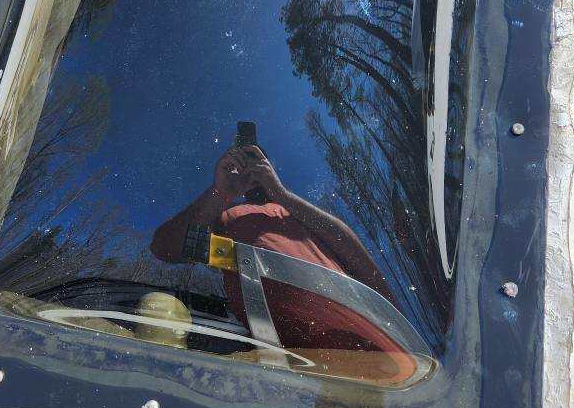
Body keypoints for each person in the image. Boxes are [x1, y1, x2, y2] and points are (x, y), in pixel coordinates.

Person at [151, 145, 419, 386]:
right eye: (242, 163)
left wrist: (280, 194)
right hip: (289, 371)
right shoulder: (225, 218)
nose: (250, 169)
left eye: (257, 161)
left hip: (380, 360)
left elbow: (358, 258)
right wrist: (220, 192)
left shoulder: (300, 215)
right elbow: (164, 248)